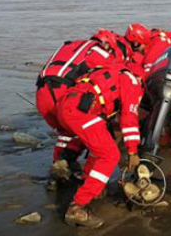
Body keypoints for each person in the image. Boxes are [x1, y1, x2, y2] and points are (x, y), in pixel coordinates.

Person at [57, 63, 144, 228]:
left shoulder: (110, 72)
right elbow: (129, 117)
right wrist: (133, 151)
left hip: (67, 106)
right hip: (79, 111)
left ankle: (88, 183)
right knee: (110, 155)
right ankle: (77, 207)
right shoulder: (132, 81)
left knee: (99, 148)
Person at [35, 31, 117, 164]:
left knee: (65, 130)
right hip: (60, 91)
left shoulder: (71, 46)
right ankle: (67, 163)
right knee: (76, 126)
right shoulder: (100, 52)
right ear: (106, 44)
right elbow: (114, 72)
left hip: (41, 92)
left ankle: (59, 163)